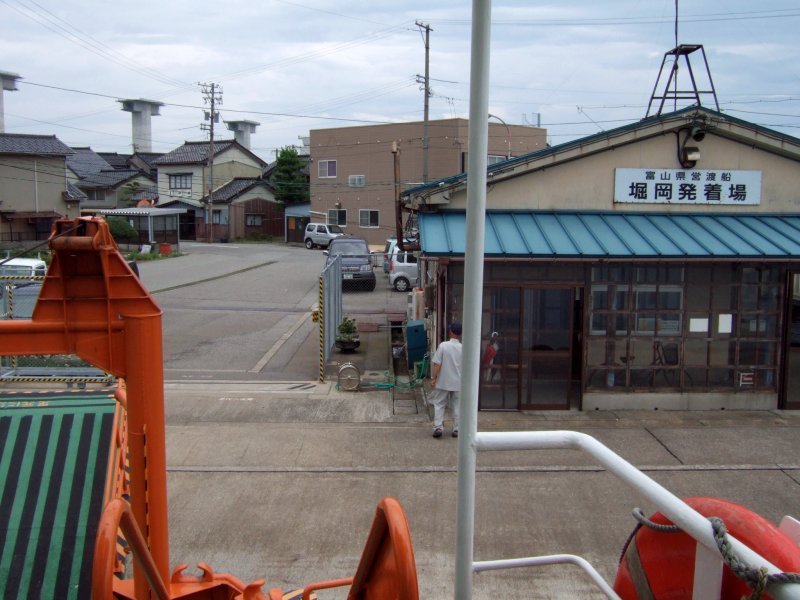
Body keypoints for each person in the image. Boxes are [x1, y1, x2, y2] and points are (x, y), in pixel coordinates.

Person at [429, 321, 462, 438]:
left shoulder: (443, 346)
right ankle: (457, 429)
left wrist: (433, 378)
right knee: (457, 406)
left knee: (439, 404)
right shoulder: (463, 348)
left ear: (450, 332)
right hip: (458, 383)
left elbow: (437, 364)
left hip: (443, 381)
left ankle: (438, 427)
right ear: (460, 334)